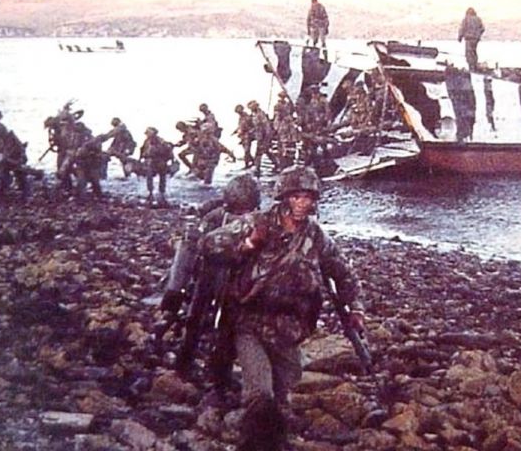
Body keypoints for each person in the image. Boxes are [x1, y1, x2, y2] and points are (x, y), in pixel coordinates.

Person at [200, 165, 366, 450]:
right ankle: (257, 442)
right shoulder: (257, 223)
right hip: (250, 320)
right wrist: (250, 243)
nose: (303, 203)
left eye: (309, 198)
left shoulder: (316, 237)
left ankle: (272, 430)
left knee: (284, 387)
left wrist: (356, 309)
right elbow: (209, 245)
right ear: (284, 197)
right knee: (259, 391)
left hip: (290, 326)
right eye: (297, 196)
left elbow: (343, 273)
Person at [162, 173, 262, 393]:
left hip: (236, 279)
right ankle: (185, 361)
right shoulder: (214, 218)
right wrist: (175, 289)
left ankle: (219, 373)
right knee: (196, 318)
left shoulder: (256, 222)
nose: (242, 215)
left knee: (228, 324)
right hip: (209, 273)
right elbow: (188, 250)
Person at [139, 127, 175, 206]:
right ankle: (150, 192)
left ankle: (161, 193)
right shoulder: (147, 141)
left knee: (162, 176)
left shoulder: (161, 142)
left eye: (148, 133)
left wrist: (169, 161)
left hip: (160, 162)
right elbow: (142, 150)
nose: (147, 135)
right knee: (149, 176)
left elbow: (169, 152)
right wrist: (142, 158)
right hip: (151, 162)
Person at [458, 7, 485, 71]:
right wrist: (478, 34)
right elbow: (483, 29)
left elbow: (462, 29)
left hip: (469, 38)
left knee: (469, 53)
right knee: (474, 52)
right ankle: (475, 66)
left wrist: (460, 37)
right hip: (476, 39)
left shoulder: (466, 19)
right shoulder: (478, 19)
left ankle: (471, 67)